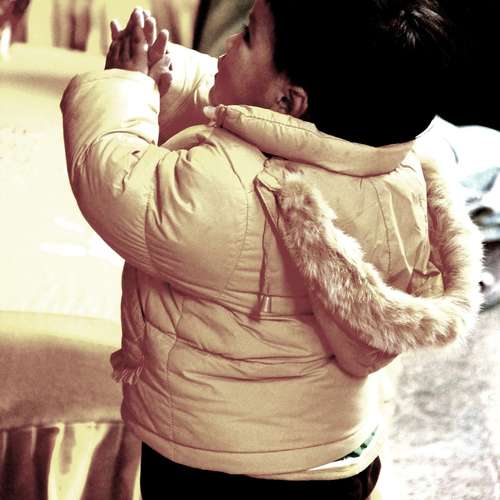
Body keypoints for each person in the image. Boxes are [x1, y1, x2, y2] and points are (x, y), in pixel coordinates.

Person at [60, 1, 483, 498]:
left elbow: (113, 178)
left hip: (219, 467)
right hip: (338, 455)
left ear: (289, 101)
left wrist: (123, 87)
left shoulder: (232, 192)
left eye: (246, 35)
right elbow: (247, 112)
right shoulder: (398, 173)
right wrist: (166, 74)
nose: (227, 42)